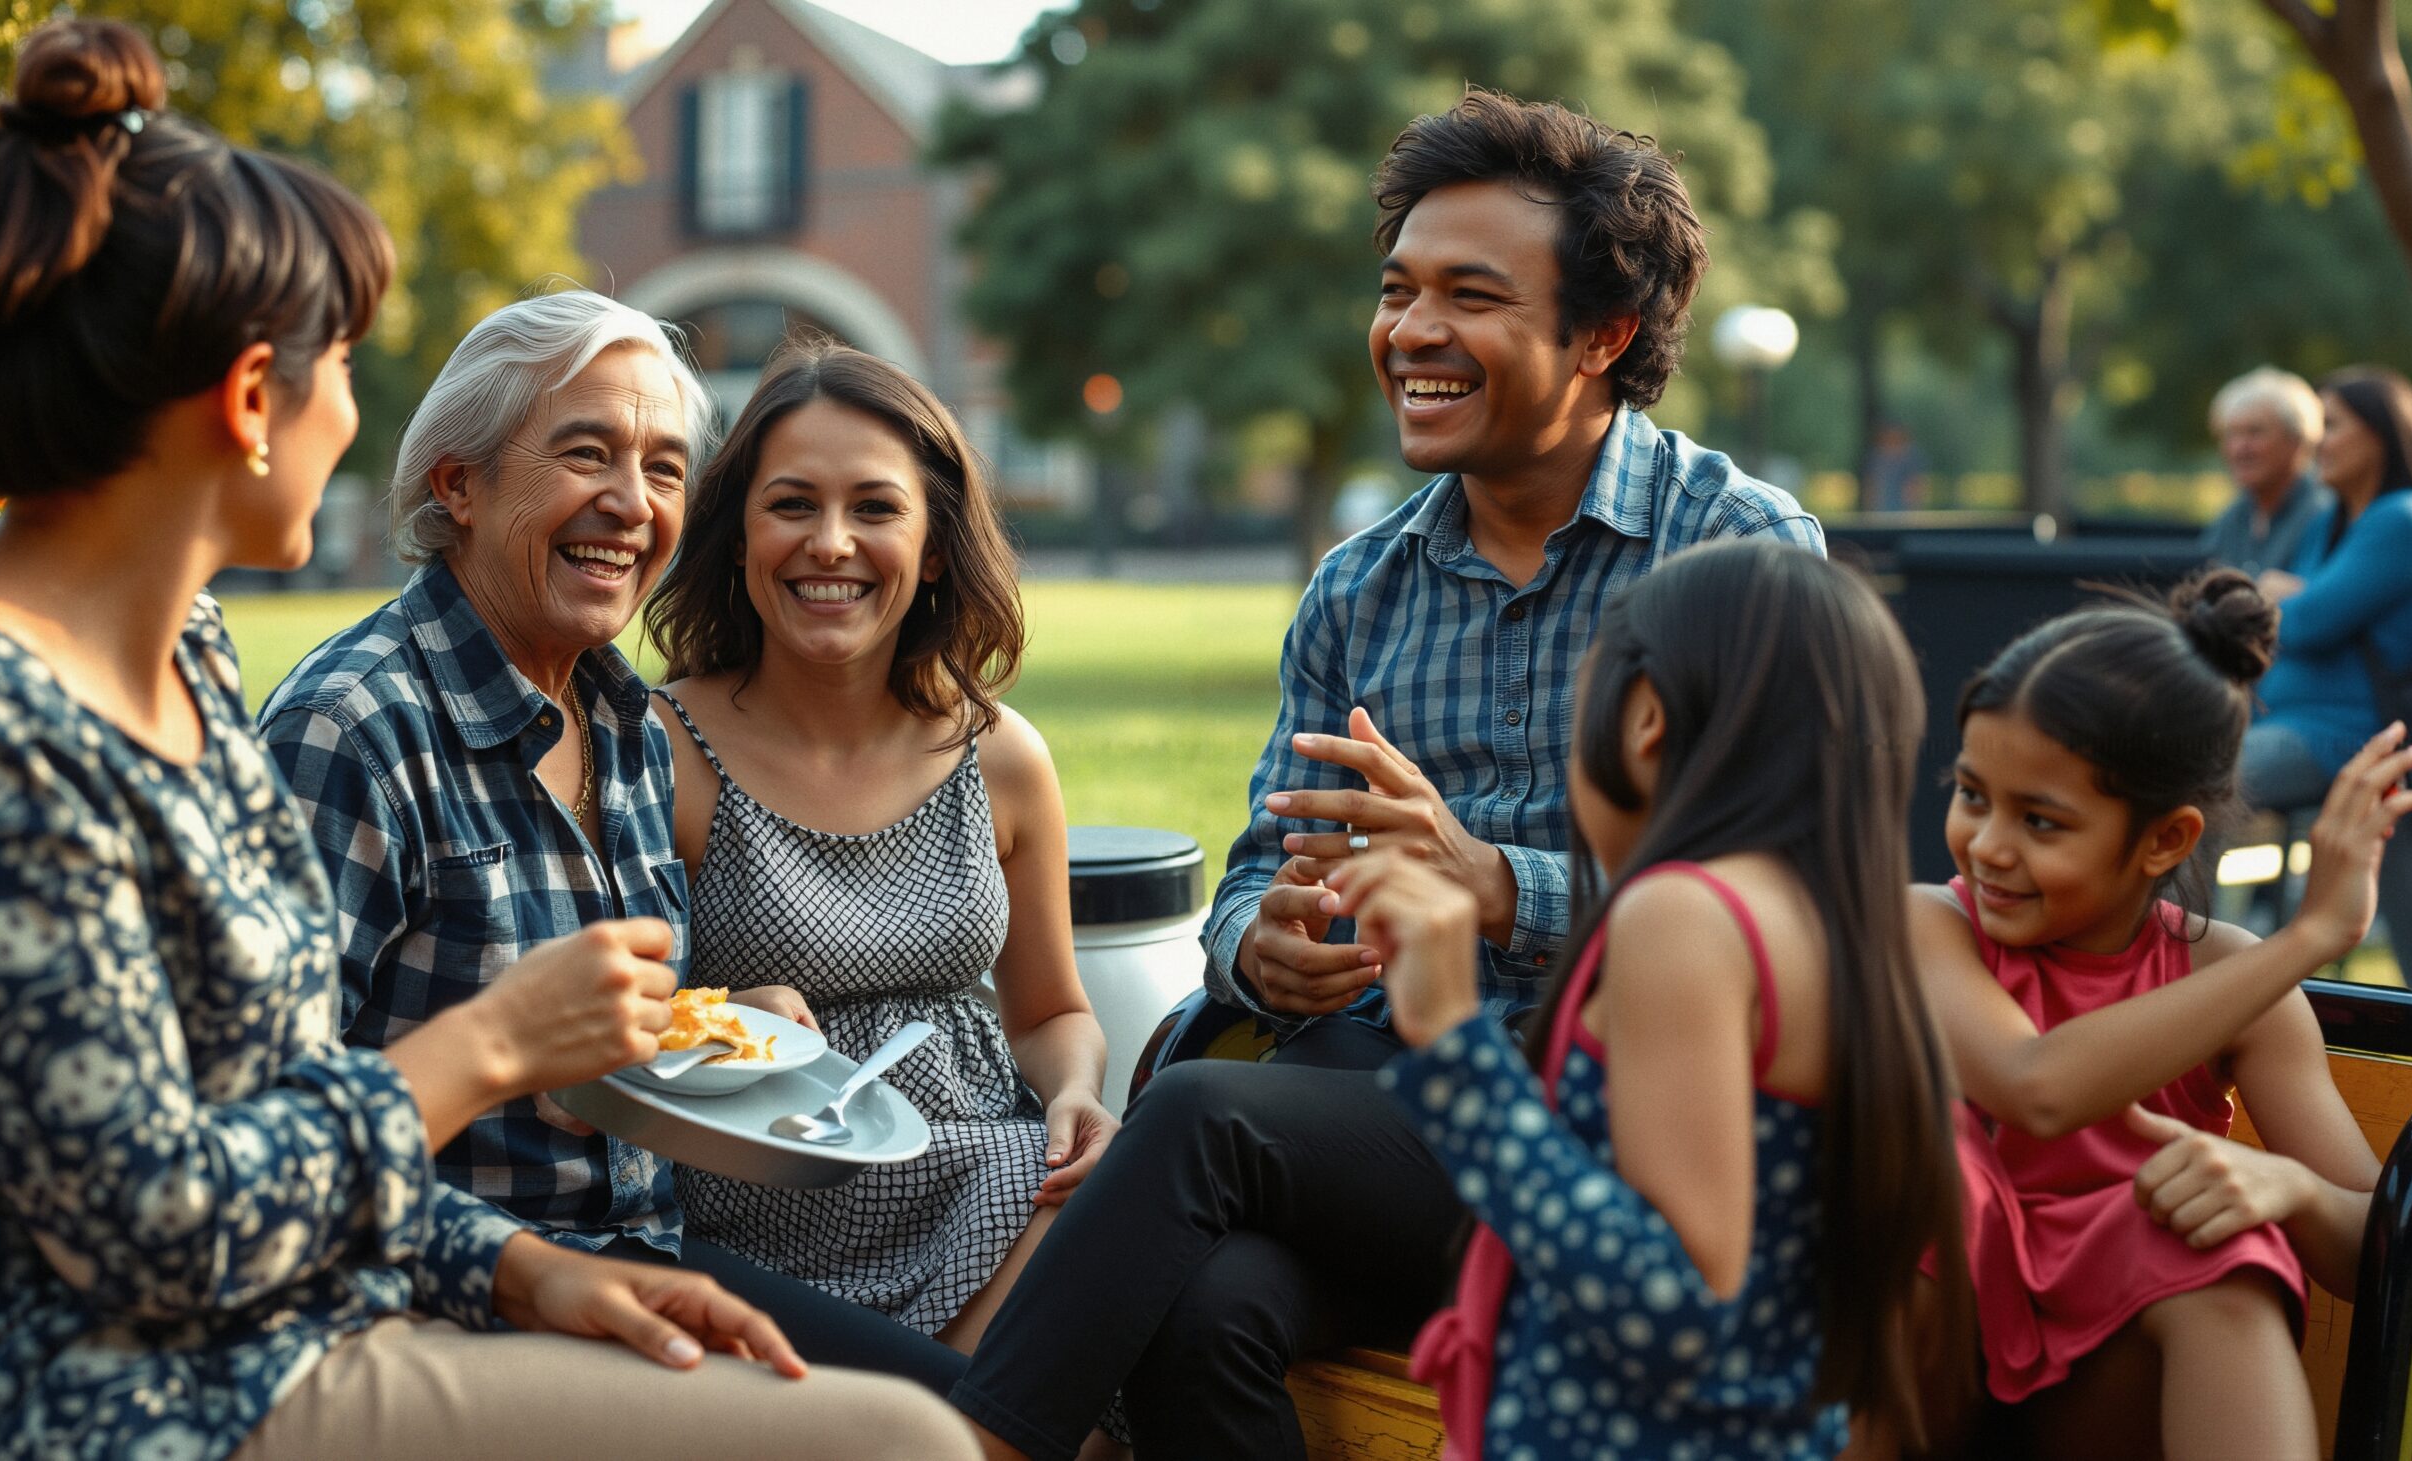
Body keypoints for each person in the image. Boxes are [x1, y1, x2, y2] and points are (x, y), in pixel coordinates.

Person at [0, 20, 975, 1461]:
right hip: (144, 1392)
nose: (359, 415)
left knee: (908, 1415)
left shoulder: (189, 658)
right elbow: (157, 1230)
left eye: (664, 465)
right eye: (345, 365)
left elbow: (276, 1095)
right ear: (250, 404)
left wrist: (539, 1272)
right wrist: (490, 1050)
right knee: (895, 1444)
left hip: (345, 1303)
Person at [951, 90, 1823, 1461]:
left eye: (1470, 295)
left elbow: (1794, 901)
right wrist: (1265, 947)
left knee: (1193, 1111)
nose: (1411, 332)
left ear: (1601, 335)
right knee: (1204, 1319)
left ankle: (959, 1448)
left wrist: (1495, 887)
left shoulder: (1738, 554)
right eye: (1398, 289)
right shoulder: (1360, 584)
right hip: (1376, 1114)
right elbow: (1255, 868)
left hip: (1629, 1127)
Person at [258, 290, 968, 1392]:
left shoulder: (628, 723)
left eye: (667, 469)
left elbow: (600, 1048)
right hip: (448, 1302)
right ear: (460, 485)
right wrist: (521, 1264)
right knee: (930, 1430)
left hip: (648, 1250)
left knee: (983, 1397)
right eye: (587, 453)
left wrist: (720, 1025)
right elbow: (277, 1122)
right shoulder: (352, 731)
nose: (631, 505)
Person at [1326, 541, 1968, 1459]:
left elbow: (1679, 1304)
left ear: (1646, 719)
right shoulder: (1837, 923)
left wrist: (1454, 1041)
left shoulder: (1686, 915)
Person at [640, 339, 1113, 1351]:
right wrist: (719, 1013)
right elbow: (601, 1020)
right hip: (759, 1189)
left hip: (979, 1167)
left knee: (1097, 1288)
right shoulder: (662, 749)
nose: (831, 543)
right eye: (792, 505)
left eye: (875, 508)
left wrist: (1073, 1089)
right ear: (736, 538)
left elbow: (1052, 1010)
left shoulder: (1003, 756)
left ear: (934, 547)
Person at [1911, 571, 2409, 1459]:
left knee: (2215, 1242)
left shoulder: (2230, 983)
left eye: (2042, 822)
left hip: (2102, 1394)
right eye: (1972, 794)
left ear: (2165, 839)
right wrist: (2307, 938)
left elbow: (2378, 1248)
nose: (1987, 845)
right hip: (1932, 1374)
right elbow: (2039, 1086)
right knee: (1930, 1176)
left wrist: (2285, 1187)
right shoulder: (1926, 926)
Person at [2240, 366, 2412, 995]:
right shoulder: (2329, 520)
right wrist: (2293, 598)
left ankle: (2183, 965)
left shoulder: (2407, 519)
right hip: (2295, 726)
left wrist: (2289, 597)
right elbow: (2285, 608)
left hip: (2351, 739)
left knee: (2188, 782)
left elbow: (2301, 623)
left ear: (2382, 435)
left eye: (2333, 425)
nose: (2319, 443)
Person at [2199, 367, 2331, 577]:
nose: (2239, 449)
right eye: (2231, 434)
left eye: (2255, 432)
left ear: (2297, 441)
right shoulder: (2233, 518)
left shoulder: (2324, 514)